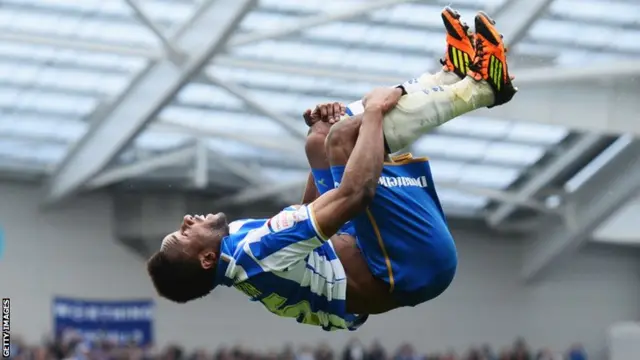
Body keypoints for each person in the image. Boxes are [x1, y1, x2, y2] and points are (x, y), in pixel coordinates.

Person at [146, 8, 517, 331]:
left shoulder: (237, 250)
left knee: (322, 138)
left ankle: (454, 76)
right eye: (182, 235)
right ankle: (483, 88)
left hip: (378, 251)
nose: (187, 220)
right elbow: (355, 196)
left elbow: (309, 215)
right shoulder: (254, 254)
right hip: (410, 264)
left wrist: (319, 137)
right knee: (344, 138)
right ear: (206, 259)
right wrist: (375, 109)